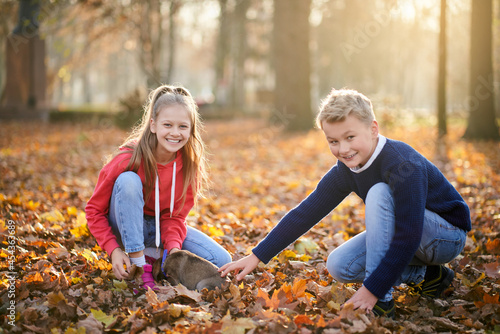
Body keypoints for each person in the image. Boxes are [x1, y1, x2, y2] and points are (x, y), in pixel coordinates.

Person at [219, 88, 470, 318]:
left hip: (445, 236)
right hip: (412, 237)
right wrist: (257, 256)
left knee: (380, 192)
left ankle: (382, 302)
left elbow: (409, 234)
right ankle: (431, 275)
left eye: (350, 137)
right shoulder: (346, 170)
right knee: (340, 265)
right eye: (333, 141)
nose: (343, 149)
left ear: (373, 129)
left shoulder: (402, 164)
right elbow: (305, 213)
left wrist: (373, 289)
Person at [86, 84, 231, 290]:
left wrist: (173, 251)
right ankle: (138, 265)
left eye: (183, 126)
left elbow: (175, 217)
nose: (175, 133)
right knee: (128, 181)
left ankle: (156, 260)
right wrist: (113, 250)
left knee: (221, 260)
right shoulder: (128, 158)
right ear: (153, 125)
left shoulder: (189, 166)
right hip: (126, 226)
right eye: (167, 125)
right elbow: (94, 211)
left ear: (191, 129)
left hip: (159, 230)